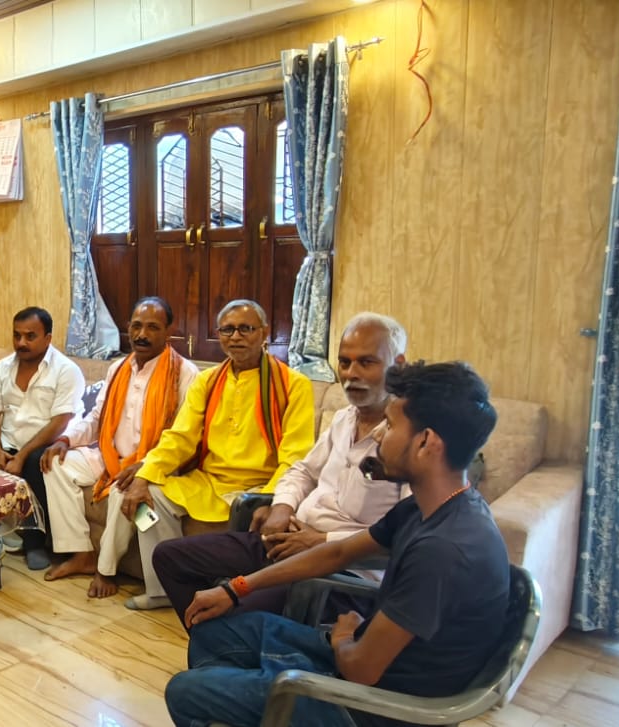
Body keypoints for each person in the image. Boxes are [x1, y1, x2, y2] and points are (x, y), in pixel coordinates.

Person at [166, 362, 508, 727]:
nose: (379, 436)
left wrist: (343, 636)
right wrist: (236, 588)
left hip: (373, 707)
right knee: (212, 633)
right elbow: (339, 552)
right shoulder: (428, 507)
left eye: (390, 425)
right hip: (357, 662)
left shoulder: (442, 551)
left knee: (184, 691)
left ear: (426, 443)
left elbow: (361, 670)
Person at [151, 313, 411, 623]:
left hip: (344, 571)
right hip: (290, 542)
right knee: (170, 558)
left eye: (366, 363)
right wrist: (282, 507)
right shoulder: (345, 418)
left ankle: (227, 641)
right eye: (344, 363)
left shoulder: (412, 439)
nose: (351, 374)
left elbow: (405, 537)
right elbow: (303, 471)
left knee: (229, 615)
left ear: (398, 364)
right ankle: (220, 644)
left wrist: (322, 540)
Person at [113, 299, 316, 611]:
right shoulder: (207, 381)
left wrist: (274, 498)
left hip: (258, 487)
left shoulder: (293, 384)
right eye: (227, 330)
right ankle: (162, 590)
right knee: (146, 499)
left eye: (245, 329)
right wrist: (144, 475)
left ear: (264, 333)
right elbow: (180, 438)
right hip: (207, 482)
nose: (236, 337)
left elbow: (296, 455)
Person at [39, 297, 199, 596]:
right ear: (128, 327)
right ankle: (81, 553)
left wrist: (145, 467)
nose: (142, 335)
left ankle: (106, 570)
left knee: (123, 491)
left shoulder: (185, 373)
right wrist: (65, 440)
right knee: (55, 464)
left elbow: (182, 435)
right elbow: (96, 417)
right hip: (110, 456)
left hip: (152, 464)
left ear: (169, 331)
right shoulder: (118, 368)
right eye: (136, 326)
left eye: (153, 328)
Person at [0, 307, 85, 570]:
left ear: (48, 338)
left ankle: (35, 543)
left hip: (47, 444)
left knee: (37, 463)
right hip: (8, 441)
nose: (21, 342)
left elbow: (60, 422)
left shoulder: (66, 370)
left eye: (30, 336)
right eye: (17, 335)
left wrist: (21, 456)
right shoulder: (4, 367)